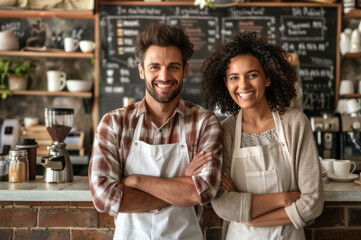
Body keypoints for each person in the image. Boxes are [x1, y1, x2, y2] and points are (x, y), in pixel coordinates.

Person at [89, 24, 222, 239]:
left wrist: (135, 181)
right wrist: (182, 182)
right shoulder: (114, 123)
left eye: (173, 67)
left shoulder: (204, 122)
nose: (164, 75)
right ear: (141, 70)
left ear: (185, 70)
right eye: (154, 67)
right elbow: (104, 198)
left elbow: (204, 191)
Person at [201, 31, 323, 239]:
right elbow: (223, 205)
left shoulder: (295, 124)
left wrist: (250, 217)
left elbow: (312, 203)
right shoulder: (225, 131)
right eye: (234, 78)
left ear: (267, 78)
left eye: (252, 75)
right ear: (226, 83)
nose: (243, 85)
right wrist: (284, 198)